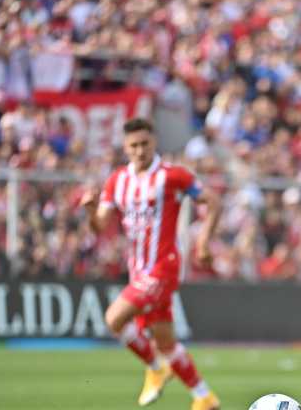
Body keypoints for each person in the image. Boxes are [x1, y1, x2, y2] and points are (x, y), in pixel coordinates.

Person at [80, 118, 222, 410]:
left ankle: (155, 367)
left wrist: (203, 242)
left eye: (145, 143)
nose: (140, 150)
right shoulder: (117, 180)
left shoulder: (172, 176)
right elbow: (100, 227)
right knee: (166, 341)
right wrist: (91, 211)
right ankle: (204, 396)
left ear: (154, 142)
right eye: (134, 145)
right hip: (138, 271)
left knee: (114, 319)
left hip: (164, 266)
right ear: (125, 147)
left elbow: (213, 200)